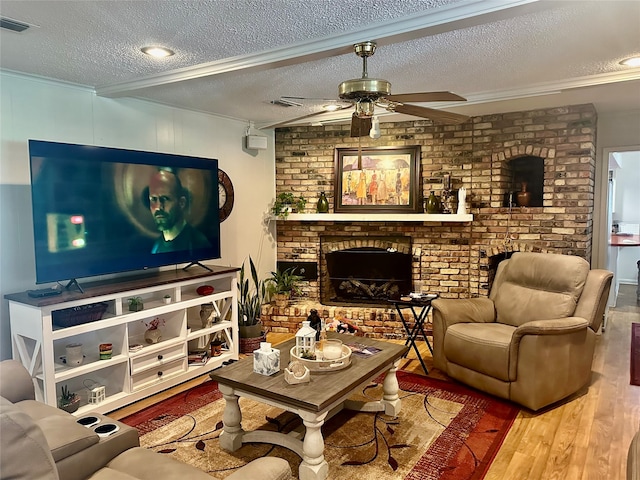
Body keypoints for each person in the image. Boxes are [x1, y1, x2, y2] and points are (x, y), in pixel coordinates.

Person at [148, 169, 212, 253]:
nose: (158, 207)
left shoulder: (198, 244)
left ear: (181, 203)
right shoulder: (156, 246)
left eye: (165, 199)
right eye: (153, 199)